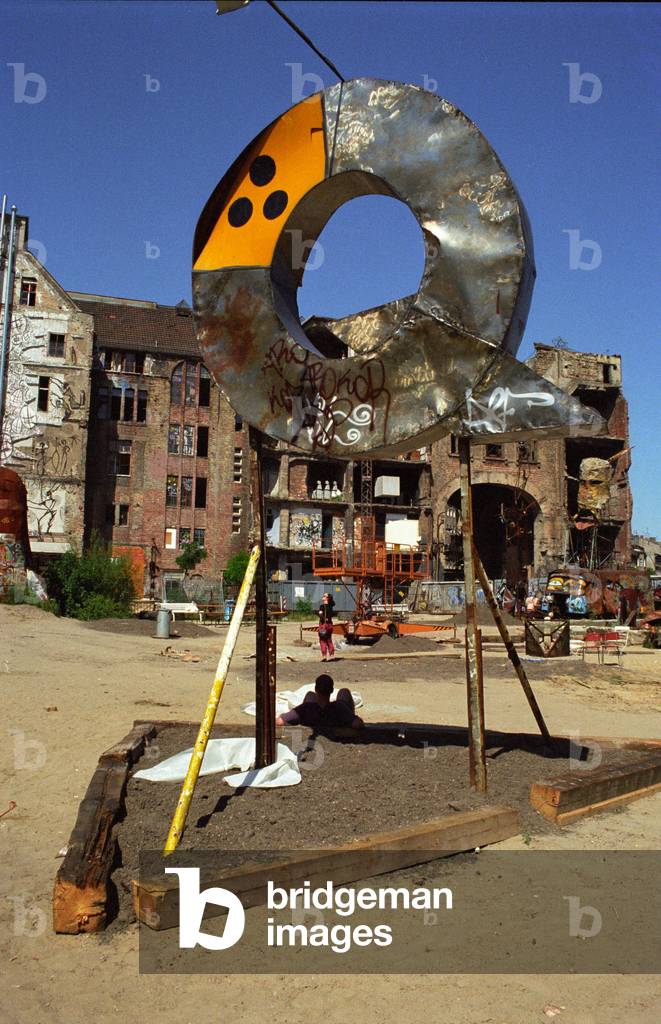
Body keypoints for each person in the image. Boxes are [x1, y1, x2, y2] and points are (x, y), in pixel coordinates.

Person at [276, 674, 363, 729]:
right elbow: (357, 724)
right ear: (332, 690)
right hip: (336, 716)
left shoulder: (306, 708)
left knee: (310, 695)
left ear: (316, 689)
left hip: (313, 716)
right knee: (344, 691)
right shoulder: (339, 707)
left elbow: (279, 721)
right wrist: (352, 718)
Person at [318, 592, 335, 662]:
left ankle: (324, 655)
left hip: (323, 625)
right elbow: (332, 615)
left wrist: (320, 615)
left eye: (324, 596)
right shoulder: (331, 606)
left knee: (322, 640)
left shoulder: (322, 606)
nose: (323, 597)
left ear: (327, 598)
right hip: (330, 625)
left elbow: (320, 614)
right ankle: (331, 655)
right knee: (329, 639)